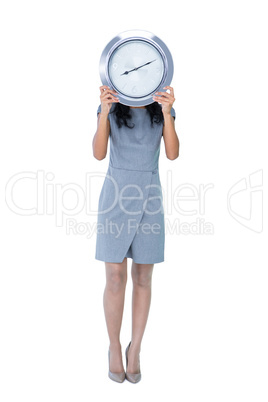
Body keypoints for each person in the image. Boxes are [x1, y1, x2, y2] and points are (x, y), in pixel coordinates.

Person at [92, 85, 179, 383]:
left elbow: (172, 153)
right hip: (116, 194)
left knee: (143, 277)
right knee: (115, 277)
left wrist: (167, 113)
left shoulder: (161, 108)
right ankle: (114, 347)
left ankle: (136, 349)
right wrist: (104, 112)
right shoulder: (112, 107)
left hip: (149, 197)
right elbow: (98, 153)